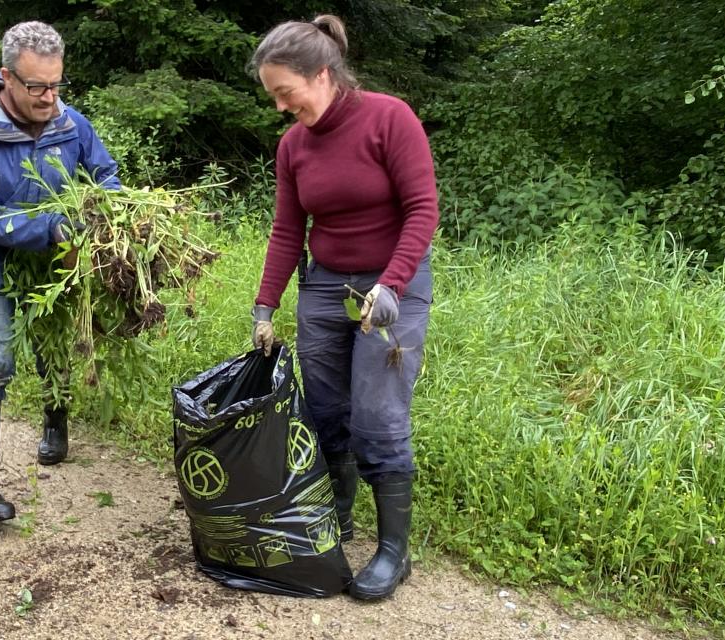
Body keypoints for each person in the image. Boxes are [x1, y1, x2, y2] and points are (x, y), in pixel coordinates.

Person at [248, 14, 439, 601]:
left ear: (323, 75)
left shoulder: (389, 118)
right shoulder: (293, 145)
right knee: (327, 411)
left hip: (391, 288)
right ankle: (339, 517)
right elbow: (287, 230)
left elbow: (422, 209)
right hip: (326, 287)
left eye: (286, 92)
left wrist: (392, 285)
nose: (281, 106)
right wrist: (264, 307)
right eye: (273, 96)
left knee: (378, 418)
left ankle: (392, 551)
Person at [0, 21, 121, 526]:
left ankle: (55, 424)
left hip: (54, 260)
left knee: (52, 345)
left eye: (56, 84)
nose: (49, 97)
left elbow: (106, 174)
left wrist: (102, 209)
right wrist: (51, 228)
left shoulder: (72, 124)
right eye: (37, 87)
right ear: (6, 78)